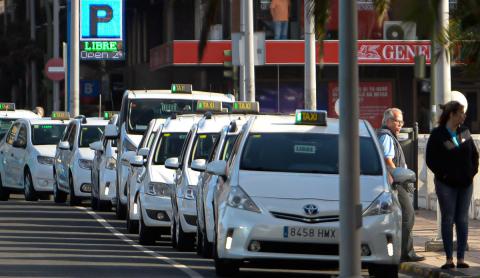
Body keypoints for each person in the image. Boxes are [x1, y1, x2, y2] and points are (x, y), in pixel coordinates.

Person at [426, 101, 478, 269]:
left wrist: (472, 172)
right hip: (446, 183)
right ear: (452, 114)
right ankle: (449, 259)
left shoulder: (464, 132)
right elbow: (431, 159)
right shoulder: (438, 134)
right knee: (448, 219)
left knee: (462, 219)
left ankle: (461, 258)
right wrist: (443, 175)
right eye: (461, 113)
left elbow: (474, 155)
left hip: (465, 183)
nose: (464, 116)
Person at [377, 108, 425, 262]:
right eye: (397, 121)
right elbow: (388, 160)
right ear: (388, 121)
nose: (400, 124)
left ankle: (402, 251)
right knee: (407, 215)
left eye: (401, 121)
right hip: (396, 183)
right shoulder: (386, 137)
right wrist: (399, 177)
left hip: (396, 182)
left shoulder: (389, 136)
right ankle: (406, 253)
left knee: (404, 217)